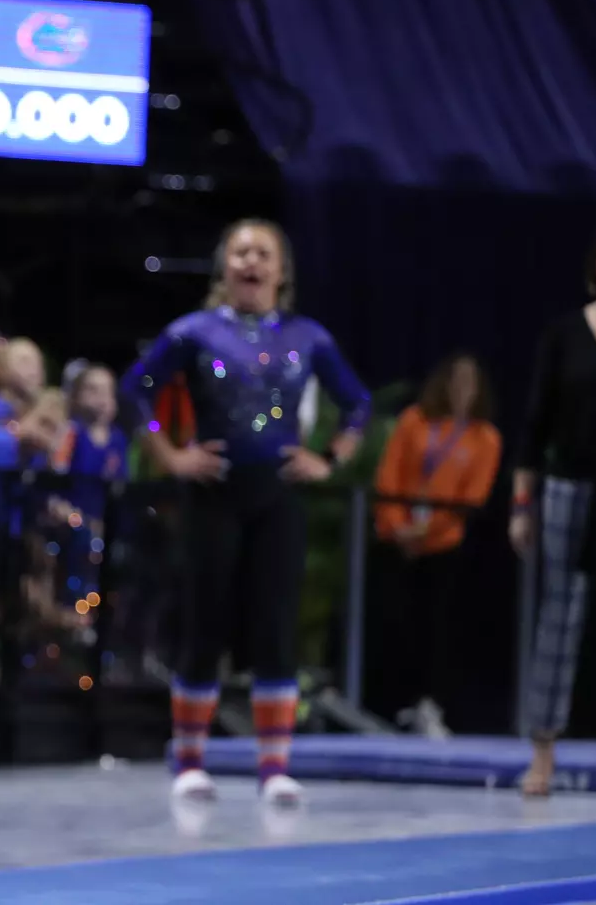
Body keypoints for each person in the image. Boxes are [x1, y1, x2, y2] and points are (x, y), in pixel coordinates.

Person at [119, 218, 371, 808]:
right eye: (240, 252)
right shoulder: (193, 332)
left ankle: (274, 767)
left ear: (282, 271)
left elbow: (357, 404)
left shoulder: (309, 337)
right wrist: (171, 456)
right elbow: (136, 392)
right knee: (205, 624)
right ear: (223, 267)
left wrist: (330, 460)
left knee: (274, 626)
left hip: (279, 495)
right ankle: (188, 760)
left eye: (264, 253)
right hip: (213, 494)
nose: (252, 262)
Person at [512, 215, 596, 797]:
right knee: (559, 618)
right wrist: (521, 502)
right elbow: (535, 423)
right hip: (568, 486)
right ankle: (542, 753)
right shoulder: (564, 334)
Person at [372, 352, 501, 739]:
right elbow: (388, 477)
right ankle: (390, 707)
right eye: (455, 381)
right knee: (394, 624)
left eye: (470, 383)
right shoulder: (414, 421)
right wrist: (398, 528)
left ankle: (431, 705)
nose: (462, 390)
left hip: (444, 547)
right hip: (396, 540)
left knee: (438, 630)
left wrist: (425, 533)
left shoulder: (485, 438)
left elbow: (471, 499)